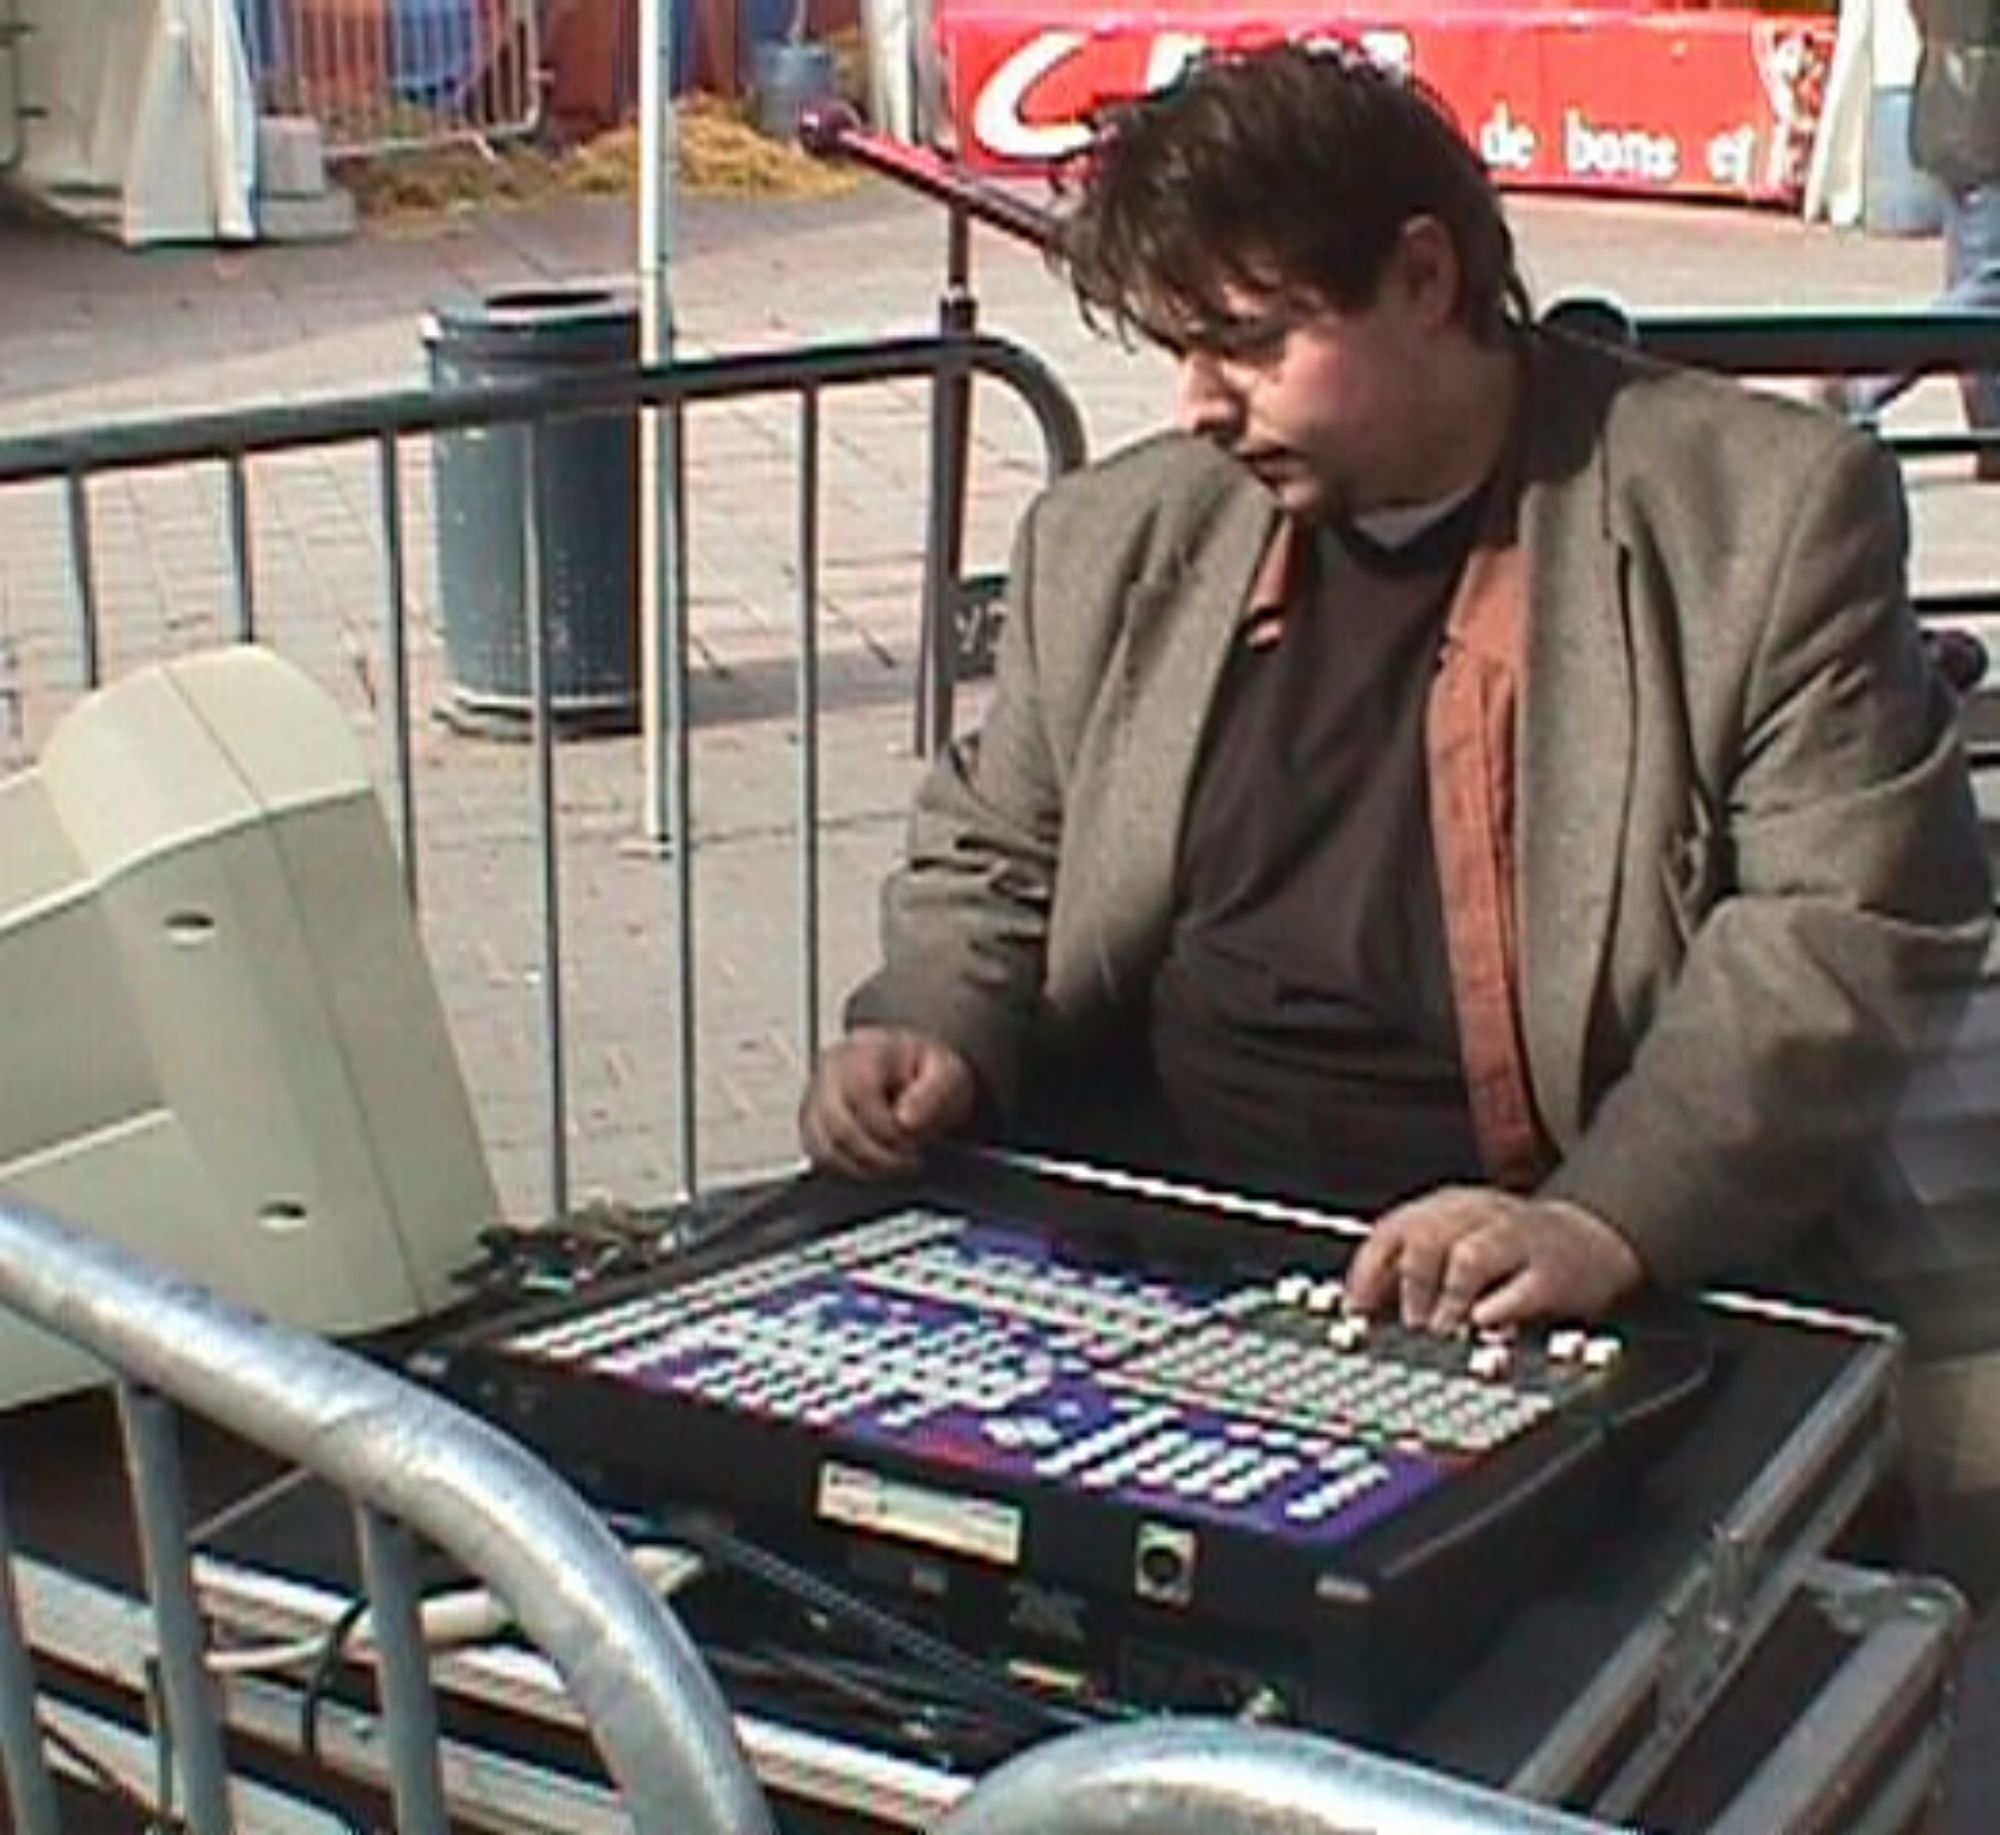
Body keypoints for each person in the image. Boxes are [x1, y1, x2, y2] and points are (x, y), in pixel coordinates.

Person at [798, 43, 1991, 1344]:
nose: (1197, 405)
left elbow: (1843, 921)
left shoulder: (1757, 517)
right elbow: (994, 846)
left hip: (1525, 1255)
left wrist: (1608, 1217)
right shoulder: (1109, 538)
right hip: (1131, 1222)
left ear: (1425, 277)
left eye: (1248, 344)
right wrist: (933, 1024)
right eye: (1179, 348)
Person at [1821, 0, 2000, 476]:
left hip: (1946, 102)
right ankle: (1864, 383)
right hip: (1988, 117)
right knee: (1986, 290)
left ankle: (1991, 430)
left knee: (1973, 285)